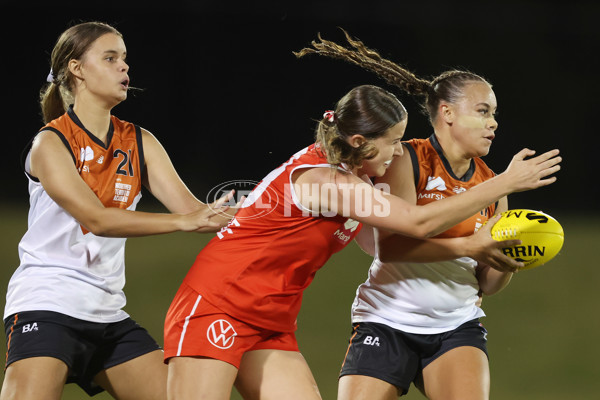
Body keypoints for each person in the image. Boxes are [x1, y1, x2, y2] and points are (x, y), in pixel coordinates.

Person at [162, 33, 561, 399]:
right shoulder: (330, 180)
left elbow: (383, 244)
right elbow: (415, 224)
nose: (396, 153)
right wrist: (504, 184)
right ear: (359, 141)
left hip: (272, 320)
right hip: (218, 303)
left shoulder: (355, 177)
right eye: (392, 143)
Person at [296, 31, 544, 399]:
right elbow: (392, 248)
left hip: (456, 324)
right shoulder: (407, 158)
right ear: (447, 113)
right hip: (386, 320)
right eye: (483, 111)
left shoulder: (492, 183)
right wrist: (470, 245)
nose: (494, 123)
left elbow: (487, 284)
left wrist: (510, 257)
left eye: (494, 114)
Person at [1, 21, 235, 400]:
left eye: (124, 59)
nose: (124, 67)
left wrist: (286, 207)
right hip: (46, 307)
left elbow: (198, 212)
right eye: (110, 58)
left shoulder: (140, 141)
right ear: (76, 69)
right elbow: (97, 220)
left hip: (107, 314)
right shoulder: (51, 142)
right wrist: (182, 222)